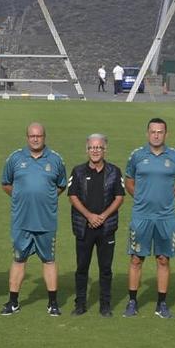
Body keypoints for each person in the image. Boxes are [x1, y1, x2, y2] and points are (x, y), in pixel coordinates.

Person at [1, 122, 67, 315]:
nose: (35, 139)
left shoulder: (55, 160)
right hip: (22, 221)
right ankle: (13, 302)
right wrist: (21, 196)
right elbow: (6, 183)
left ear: (44, 137)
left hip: (46, 221)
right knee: (19, 260)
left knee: (49, 260)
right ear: (27, 137)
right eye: (32, 136)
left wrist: (47, 197)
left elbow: (61, 185)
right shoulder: (15, 158)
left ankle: (53, 303)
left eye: (39, 136)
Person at [124, 117, 175, 317]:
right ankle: (132, 302)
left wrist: (168, 198)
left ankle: (161, 304)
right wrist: (142, 198)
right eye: (153, 131)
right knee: (136, 259)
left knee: (163, 260)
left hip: (166, 217)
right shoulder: (137, 156)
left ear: (166, 134)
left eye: (160, 132)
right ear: (147, 133)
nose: (156, 135)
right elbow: (129, 182)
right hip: (141, 215)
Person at [68, 133, 123, 318]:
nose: (95, 151)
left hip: (106, 228)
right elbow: (72, 196)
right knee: (82, 267)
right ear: (87, 149)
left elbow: (119, 197)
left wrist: (103, 216)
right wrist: (89, 216)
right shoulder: (77, 171)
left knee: (105, 269)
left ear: (105, 149)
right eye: (92, 147)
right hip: (84, 227)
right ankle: (80, 304)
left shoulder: (114, 172)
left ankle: (105, 305)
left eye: (99, 147)